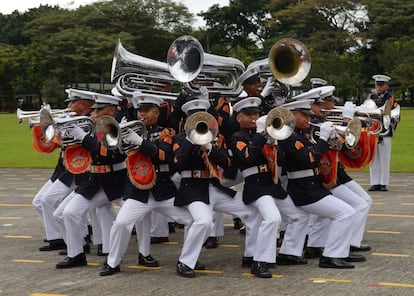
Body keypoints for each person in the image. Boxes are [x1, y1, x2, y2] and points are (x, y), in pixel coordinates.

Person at [99, 93, 194, 276]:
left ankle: (188, 260)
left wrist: (139, 142)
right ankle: (112, 262)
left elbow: (163, 156)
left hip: (163, 191)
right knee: (121, 223)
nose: (142, 114)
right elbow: (115, 156)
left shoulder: (166, 133)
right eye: (139, 110)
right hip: (138, 192)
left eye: (146, 111)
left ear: (156, 113)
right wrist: (120, 140)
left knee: (192, 221)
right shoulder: (129, 132)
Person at [277, 99, 358, 269]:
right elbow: (310, 160)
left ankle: (289, 253)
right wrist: (322, 140)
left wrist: (333, 141)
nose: (309, 118)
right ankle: (332, 255)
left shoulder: (302, 134)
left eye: (309, 114)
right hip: (304, 188)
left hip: (310, 186)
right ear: (291, 114)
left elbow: (325, 153)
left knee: (303, 218)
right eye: (304, 115)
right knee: (346, 213)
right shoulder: (288, 137)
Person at [54, 93, 126, 269]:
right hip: (95, 181)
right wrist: (67, 135)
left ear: (112, 109)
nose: (95, 113)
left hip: (118, 181)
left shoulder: (120, 127)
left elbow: (109, 153)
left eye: (100, 109)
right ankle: (76, 254)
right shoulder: (93, 126)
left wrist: (83, 137)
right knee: (68, 213)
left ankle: (138, 252)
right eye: (94, 109)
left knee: (138, 216)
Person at [33, 88, 96, 252]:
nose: (69, 106)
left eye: (72, 102)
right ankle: (64, 238)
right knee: (51, 203)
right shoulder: (72, 119)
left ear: (83, 104)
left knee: (67, 207)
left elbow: (86, 144)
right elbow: (52, 144)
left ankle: (77, 240)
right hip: (66, 167)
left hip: (81, 168)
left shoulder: (89, 122)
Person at [228, 96, 283, 277]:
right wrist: (261, 136)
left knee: (259, 220)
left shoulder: (268, 136)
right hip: (256, 185)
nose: (253, 117)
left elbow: (281, 159)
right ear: (238, 118)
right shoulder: (237, 137)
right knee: (273, 219)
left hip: (271, 184)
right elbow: (248, 158)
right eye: (249, 114)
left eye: (257, 114)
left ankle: (250, 256)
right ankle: (260, 261)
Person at [368, 74, 400, 191]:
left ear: (386, 86)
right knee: (373, 157)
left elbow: (396, 113)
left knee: (384, 158)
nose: (379, 87)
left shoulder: (390, 98)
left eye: (381, 85)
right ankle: (374, 182)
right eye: (377, 85)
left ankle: (383, 183)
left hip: (385, 131)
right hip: (372, 130)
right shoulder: (371, 97)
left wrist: (388, 120)